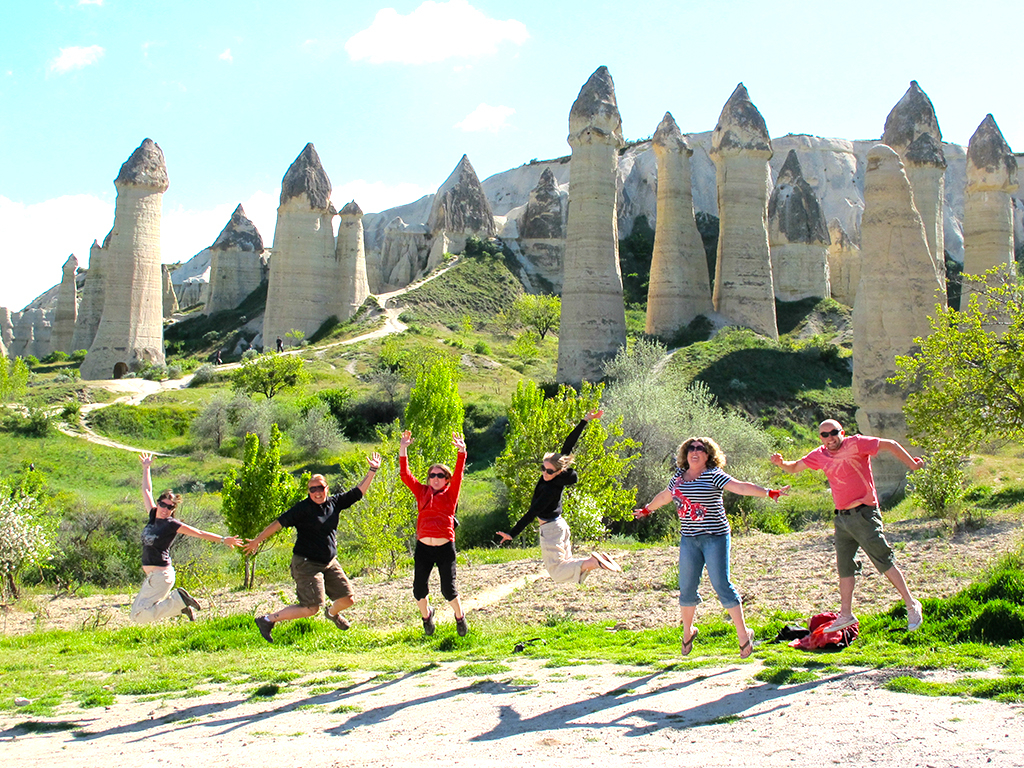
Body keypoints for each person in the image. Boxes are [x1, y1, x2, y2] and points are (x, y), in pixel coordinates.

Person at [634, 437, 788, 658]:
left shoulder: (714, 475)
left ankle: (743, 634)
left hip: (715, 538)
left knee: (721, 585)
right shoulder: (678, 477)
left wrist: (768, 492)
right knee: (687, 587)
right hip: (689, 539)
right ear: (685, 453)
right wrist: (647, 509)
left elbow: (740, 487)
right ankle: (688, 632)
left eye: (701, 448)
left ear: (708, 455)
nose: (695, 451)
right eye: (691, 448)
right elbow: (665, 496)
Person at [770, 419, 925, 633]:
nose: (830, 438)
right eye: (825, 435)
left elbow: (890, 445)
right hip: (842, 518)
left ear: (841, 432)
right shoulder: (819, 455)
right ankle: (846, 615)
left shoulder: (857, 444)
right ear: (820, 438)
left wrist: (913, 465)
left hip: (864, 513)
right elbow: (795, 467)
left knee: (883, 560)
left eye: (834, 432)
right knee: (845, 567)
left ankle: (911, 604)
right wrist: (781, 463)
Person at [244, 453, 382, 643]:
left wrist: (372, 470)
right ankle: (267, 620)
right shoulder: (302, 509)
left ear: (327, 488)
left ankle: (332, 614)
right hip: (306, 563)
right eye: (312, 489)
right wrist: (257, 540)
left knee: (347, 599)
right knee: (311, 608)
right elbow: (278, 523)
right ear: (308, 491)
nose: (317, 492)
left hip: (329, 561)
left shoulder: (335, 503)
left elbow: (358, 492)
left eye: (320, 488)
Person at [496, 410, 622, 584]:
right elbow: (568, 444)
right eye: (543, 468)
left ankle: (594, 562)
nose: (544, 473)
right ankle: (598, 561)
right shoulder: (555, 476)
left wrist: (512, 533)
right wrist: (585, 420)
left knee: (557, 572)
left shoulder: (550, 489)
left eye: (549, 471)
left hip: (551, 530)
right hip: (559, 526)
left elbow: (532, 513)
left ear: (559, 471)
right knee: (567, 566)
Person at [132, 452, 242, 624]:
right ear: (158, 503)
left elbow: (199, 533)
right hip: (154, 577)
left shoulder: (171, 524)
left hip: (161, 576)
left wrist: (223, 539)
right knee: (137, 614)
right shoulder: (153, 515)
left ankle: (179, 601)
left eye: (169, 507)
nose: (165, 509)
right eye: (162, 504)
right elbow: (147, 491)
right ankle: (179, 606)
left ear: (173, 511)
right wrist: (146, 468)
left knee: (138, 616)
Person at [400, 430, 470, 636]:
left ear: (446, 479)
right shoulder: (421, 491)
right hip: (424, 548)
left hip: (444, 547)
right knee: (418, 589)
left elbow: (459, 474)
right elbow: (405, 475)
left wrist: (462, 451)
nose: (436, 478)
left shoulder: (451, 494)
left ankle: (460, 617)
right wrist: (403, 448)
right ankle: (427, 616)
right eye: (432, 475)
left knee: (448, 590)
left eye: (440, 475)